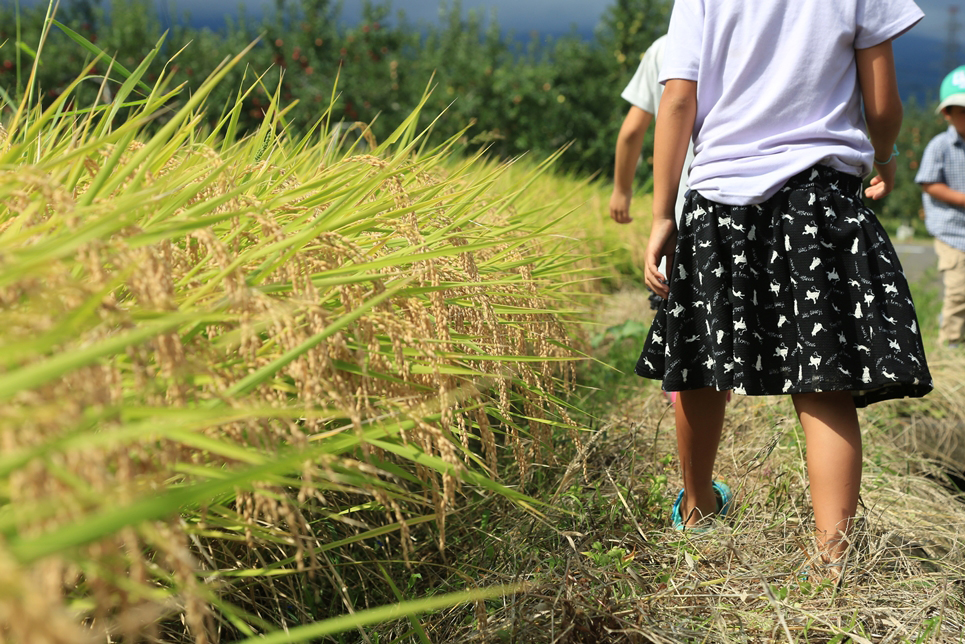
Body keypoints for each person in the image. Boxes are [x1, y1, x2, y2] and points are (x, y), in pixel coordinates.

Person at [634, 0, 934, 578]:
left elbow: (677, 99)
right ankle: (833, 556)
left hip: (721, 195)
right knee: (824, 380)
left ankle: (697, 510)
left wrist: (661, 217)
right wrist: (886, 152)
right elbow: (882, 103)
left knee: (700, 362)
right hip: (819, 198)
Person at [915, 66, 965, 348]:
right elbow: (929, 183)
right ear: (947, 114)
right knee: (958, 290)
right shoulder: (940, 145)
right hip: (952, 232)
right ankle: (951, 343)